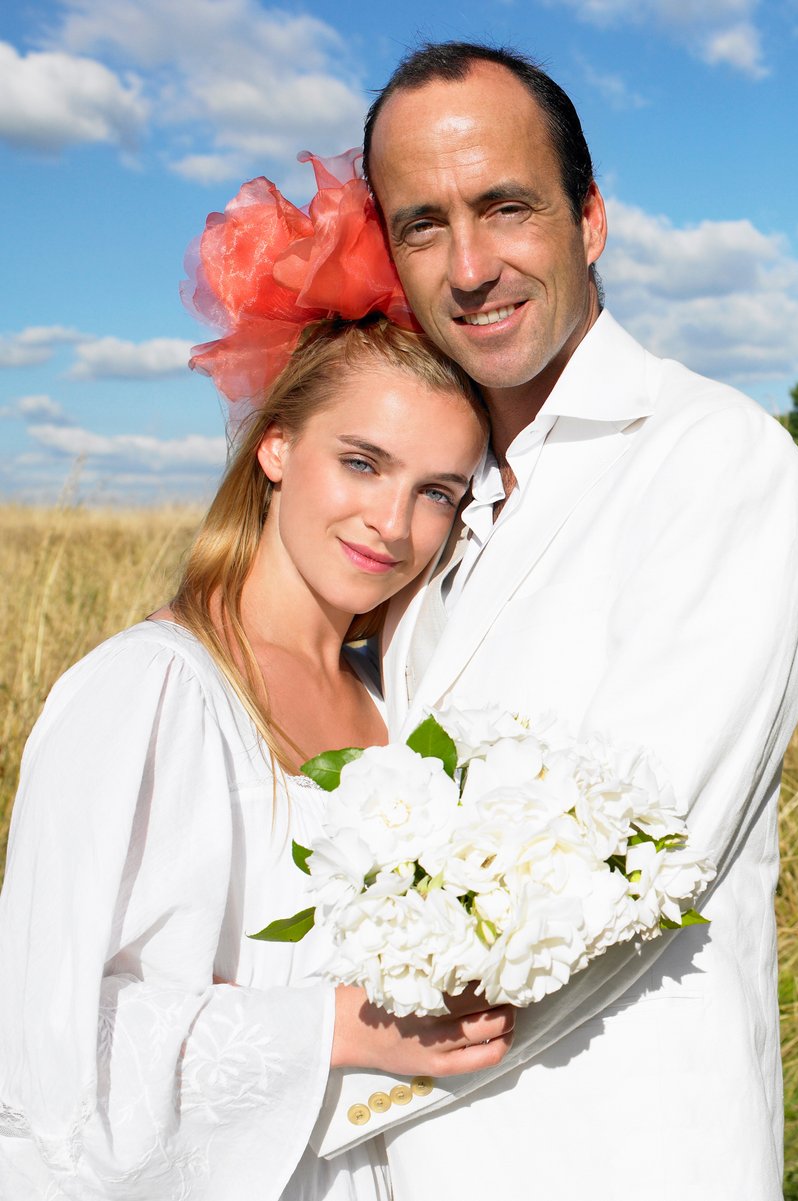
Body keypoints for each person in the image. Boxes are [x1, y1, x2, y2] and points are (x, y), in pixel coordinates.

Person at [317, 41, 798, 1199]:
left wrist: (288, 1074)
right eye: (422, 224)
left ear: (589, 219)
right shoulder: (418, 510)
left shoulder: (713, 458)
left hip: (620, 1146)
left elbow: (623, 866)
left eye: (507, 208)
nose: (469, 267)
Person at [0, 153, 505, 1200]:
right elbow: (40, 1033)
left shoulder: (398, 706)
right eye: (361, 463)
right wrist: (338, 1025)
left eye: (437, 493)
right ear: (275, 448)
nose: (391, 523)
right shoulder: (147, 693)